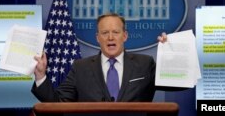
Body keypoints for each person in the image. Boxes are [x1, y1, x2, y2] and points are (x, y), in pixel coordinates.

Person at [32, 13, 167, 102]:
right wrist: (40, 76)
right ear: (98, 38)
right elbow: (57, 102)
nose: (110, 37)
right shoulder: (80, 68)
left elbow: (175, 83)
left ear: (125, 36)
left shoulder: (145, 64)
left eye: (115, 32)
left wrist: (171, 54)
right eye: (104, 32)